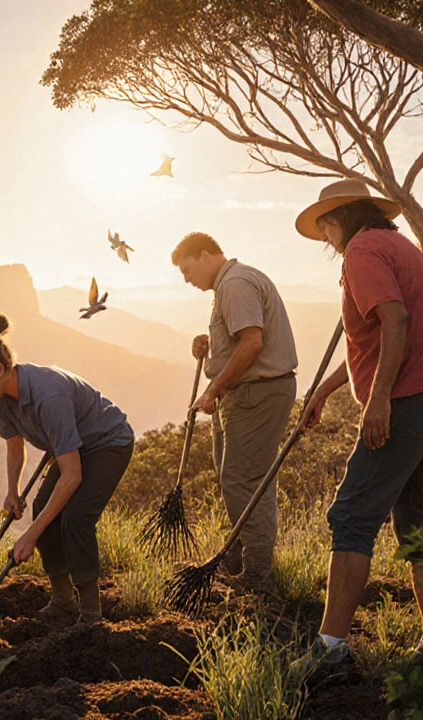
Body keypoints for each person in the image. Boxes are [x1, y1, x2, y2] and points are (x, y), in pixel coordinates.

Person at [289, 180, 423, 683]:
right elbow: (374, 339)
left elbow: (394, 319)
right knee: (417, 527)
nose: (324, 237)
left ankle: (330, 653)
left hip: (407, 399)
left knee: (351, 516)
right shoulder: (400, 247)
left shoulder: (362, 249)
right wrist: (323, 392)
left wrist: (380, 398)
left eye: (324, 224)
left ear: (340, 216)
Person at [0, 314, 134, 624]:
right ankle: (63, 601)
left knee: (76, 516)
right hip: (74, 449)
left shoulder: (48, 395)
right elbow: (15, 445)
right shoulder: (1, 397)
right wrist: (12, 491)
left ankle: (91, 614)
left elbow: (73, 475)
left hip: (107, 443)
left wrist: (30, 535)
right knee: (41, 507)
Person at [171, 232, 298, 594]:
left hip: (255, 395)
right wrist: (211, 348)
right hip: (244, 393)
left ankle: (258, 578)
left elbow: (253, 342)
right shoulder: (228, 285)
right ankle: (237, 560)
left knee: (244, 480)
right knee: (235, 478)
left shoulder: (235, 284)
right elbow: (241, 337)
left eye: (187, 268)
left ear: (206, 255)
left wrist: (213, 388)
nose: (186, 278)